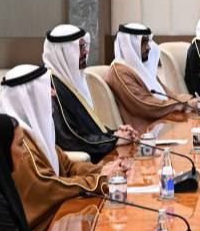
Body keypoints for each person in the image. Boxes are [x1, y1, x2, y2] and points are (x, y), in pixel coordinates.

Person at [0, 64, 127, 231]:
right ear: (29, 97)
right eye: (47, 88)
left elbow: (67, 166)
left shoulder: (33, 131)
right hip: (41, 229)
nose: (53, 93)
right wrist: (99, 180)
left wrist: (103, 170)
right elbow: (48, 186)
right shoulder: (20, 144)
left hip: (58, 213)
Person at [43, 24, 138, 161]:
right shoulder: (51, 88)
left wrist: (116, 133)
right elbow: (70, 139)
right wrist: (113, 140)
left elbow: (88, 127)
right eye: (80, 47)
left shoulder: (69, 79)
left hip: (96, 151)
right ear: (64, 52)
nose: (86, 52)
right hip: (82, 164)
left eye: (84, 46)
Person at [106, 22, 189, 131]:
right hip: (145, 131)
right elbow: (144, 104)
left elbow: (167, 94)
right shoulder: (120, 72)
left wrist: (187, 101)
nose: (149, 47)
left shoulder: (141, 68)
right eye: (144, 42)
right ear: (130, 44)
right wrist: (179, 104)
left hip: (163, 121)